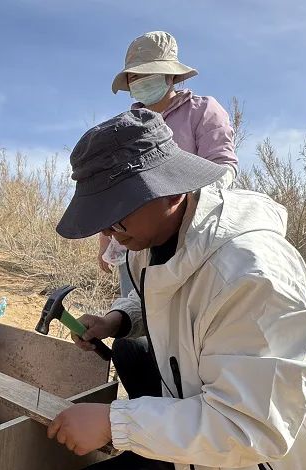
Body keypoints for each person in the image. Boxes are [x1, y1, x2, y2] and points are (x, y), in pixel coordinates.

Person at [46, 110, 306, 470]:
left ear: (171, 192)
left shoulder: (252, 274)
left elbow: (250, 426)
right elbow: (165, 294)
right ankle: (163, 469)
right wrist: (118, 320)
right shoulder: (152, 237)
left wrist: (115, 424)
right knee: (132, 350)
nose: (107, 231)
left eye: (116, 216)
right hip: (217, 421)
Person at [98, 30, 238, 298]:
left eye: (147, 74)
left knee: (182, 309)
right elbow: (115, 188)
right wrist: (106, 238)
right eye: (133, 76)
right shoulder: (124, 126)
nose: (139, 81)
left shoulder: (202, 111)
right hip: (132, 242)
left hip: (189, 239)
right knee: (136, 309)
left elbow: (223, 166)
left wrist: (183, 204)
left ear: (170, 75)